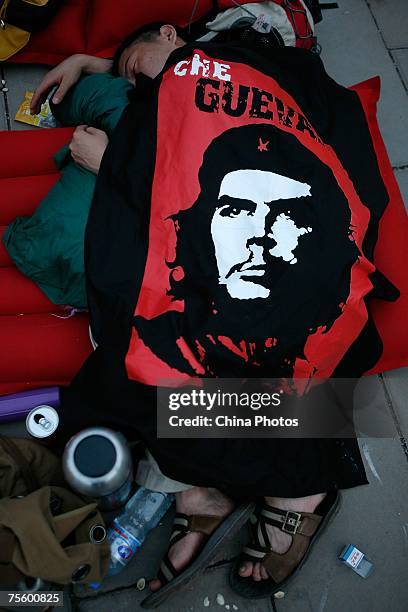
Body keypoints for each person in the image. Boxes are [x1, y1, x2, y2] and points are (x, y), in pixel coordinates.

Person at [34, 20, 388, 606]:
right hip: (220, 220)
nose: (137, 83)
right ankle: (269, 478)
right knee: (169, 328)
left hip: (291, 205)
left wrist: (117, 160)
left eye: (137, 65)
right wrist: (93, 64)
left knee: (269, 316)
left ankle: (270, 487)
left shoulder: (243, 55)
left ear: (173, 35)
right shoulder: (166, 82)